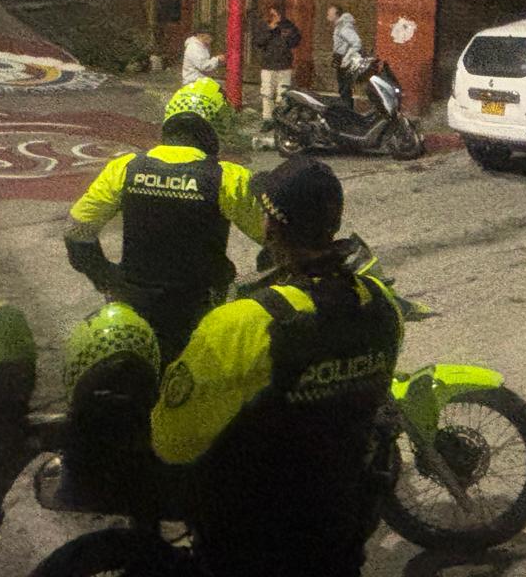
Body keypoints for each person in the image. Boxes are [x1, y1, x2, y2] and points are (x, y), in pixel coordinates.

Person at [152, 156, 403, 577]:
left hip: (249, 540)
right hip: (338, 532)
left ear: (270, 228)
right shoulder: (381, 304)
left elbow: (173, 442)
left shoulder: (242, 324)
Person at [63, 78, 264, 363]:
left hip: (134, 304)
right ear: (217, 128)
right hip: (202, 309)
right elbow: (273, 237)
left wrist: (106, 278)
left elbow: (76, 231)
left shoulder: (125, 168)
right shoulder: (229, 178)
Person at [251, 4, 301, 129]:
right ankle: (267, 119)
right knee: (267, 93)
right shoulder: (263, 25)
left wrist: (287, 35)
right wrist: (270, 29)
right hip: (268, 65)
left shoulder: (288, 25)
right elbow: (258, 42)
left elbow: (296, 41)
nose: (276, 17)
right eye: (273, 14)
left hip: (284, 65)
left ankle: (280, 119)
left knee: (283, 94)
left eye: (277, 14)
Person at [327, 4, 363, 110]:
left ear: (337, 14)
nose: (327, 15)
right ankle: (347, 111)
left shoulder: (343, 27)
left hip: (345, 61)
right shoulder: (340, 26)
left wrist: (346, 58)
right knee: (344, 88)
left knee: (345, 89)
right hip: (342, 59)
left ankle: (348, 113)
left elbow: (357, 43)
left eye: (330, 13)